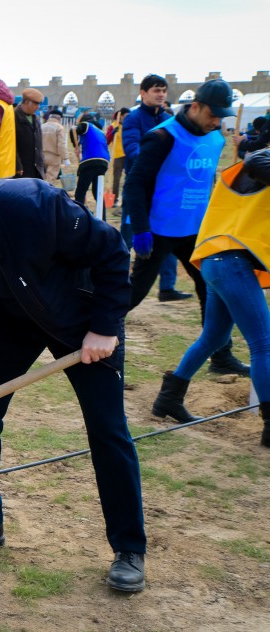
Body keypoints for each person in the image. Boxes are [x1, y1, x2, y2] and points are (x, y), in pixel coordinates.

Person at [0, 169, 146, 593]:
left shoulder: (34, 204)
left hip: (81, 321)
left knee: (107, 429)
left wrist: (106, 326)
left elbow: (112, 251)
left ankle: (129, 548)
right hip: (13, 319)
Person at [126, 78, 249, 378]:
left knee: (212, 289)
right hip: (158, 231)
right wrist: (140, 228)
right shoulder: (162, 137)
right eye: (213, 114)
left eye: (222, 116)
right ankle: (87, 332)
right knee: (133, 294)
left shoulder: (216, 138)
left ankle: (221, 355)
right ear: (195, 106)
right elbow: (135, 184)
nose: (217, 121)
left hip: (196, 231)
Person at [152, 147, 270, 434]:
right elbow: (256, 159)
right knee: (263, 344)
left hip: (218, 260)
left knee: (214, 337)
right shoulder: (260, 161)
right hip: (231, 262)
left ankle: (169, 399)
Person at [121, 74, 187, 302]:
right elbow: (131, 147)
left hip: (165, 192)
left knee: (168, 237)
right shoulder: (133, 119)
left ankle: (167, 287)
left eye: (163, 90)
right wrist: (153, 161)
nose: (160, 95)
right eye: (155, 90)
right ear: (143, 93)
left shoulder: (170, 119)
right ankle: (116, 279)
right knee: (130, 237)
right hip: (138, 189)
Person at [72, 115, 110, 218]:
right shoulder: (100, 131)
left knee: (80, 192)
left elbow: (74, 130)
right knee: (97, 191)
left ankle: (77, 217)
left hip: (90, 160)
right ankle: (102, 218)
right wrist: (78, 146)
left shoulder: (86, 125)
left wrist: (74, 145)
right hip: (103, 162)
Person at [107, 108, 130, 204]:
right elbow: (107, 141)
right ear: (121, 116)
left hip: (129, 155)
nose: (128, 118)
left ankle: (126, 199)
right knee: (116, 179)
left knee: (129, 178)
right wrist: (112, 133)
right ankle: (114, 199)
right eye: (126, 116)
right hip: (117, 155)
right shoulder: (113, 126)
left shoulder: (130, 126)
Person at [41, 108, 69, 183]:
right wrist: (65, 158)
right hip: (54, 157)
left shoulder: (41, 127)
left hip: (41, 156)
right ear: (59, 118)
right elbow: (61, 144)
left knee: (41, 179)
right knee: (50, 180)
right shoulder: (59, 128)